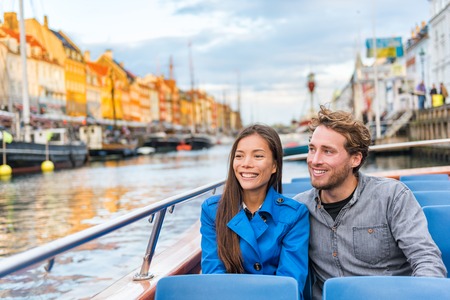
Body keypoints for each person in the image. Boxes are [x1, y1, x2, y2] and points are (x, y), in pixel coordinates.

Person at [294, 105, 447, 300]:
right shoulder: (299, 208)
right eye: (312, 149)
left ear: (355, 159)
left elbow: (426, 260)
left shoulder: (392, 197)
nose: (314, 160)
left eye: (328, 151)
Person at [200, 124, 310, 299]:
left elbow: (290, 283)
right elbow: (214, 276)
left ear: (274, 166)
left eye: (258, 156)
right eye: (239, 156)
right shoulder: (212, 210)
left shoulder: (295, 215)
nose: (246, 164)